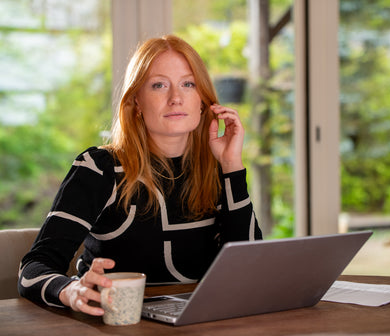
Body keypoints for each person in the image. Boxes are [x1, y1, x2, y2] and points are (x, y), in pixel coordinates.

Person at [18, 34, 262, 316]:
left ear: (203, 100)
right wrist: (71, 291)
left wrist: (232, 165)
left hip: (204, 324)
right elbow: (33, 269)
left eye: (188, 84)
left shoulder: (217, 166)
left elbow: (249, 270)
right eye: (159, 85)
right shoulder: (99, 168)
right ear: (136, 101)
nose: (176, 98)